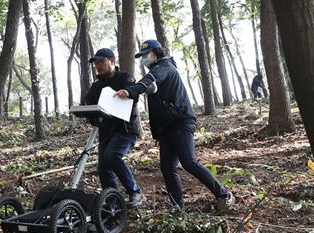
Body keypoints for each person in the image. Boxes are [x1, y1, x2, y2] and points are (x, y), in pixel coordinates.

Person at [115, 39, 235, 210]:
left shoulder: (164, 67)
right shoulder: (156, 74)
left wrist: (130, 91)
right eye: (141, 56)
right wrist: (157, 134)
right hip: (166, 128)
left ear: (155, 53)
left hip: (181, 122)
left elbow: (149, 79)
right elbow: (155, 109)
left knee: (189, 162)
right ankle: (177, 208)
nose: (143, 59)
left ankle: (224, 194)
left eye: (145, 55)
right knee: (167, 167)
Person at [81, 48, 145, 207]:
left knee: (112, 155)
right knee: (103, 169)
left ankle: (135, 192)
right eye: (95, 63)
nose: (98, 66)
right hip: (106, 132)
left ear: (112, 61)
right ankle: (113, 204)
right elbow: (87, 100)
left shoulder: (126, 77)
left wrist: (127, 92)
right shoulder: (97, 85)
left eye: (101, 62)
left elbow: (134, 92)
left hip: (126, 130)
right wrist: (85, 106)